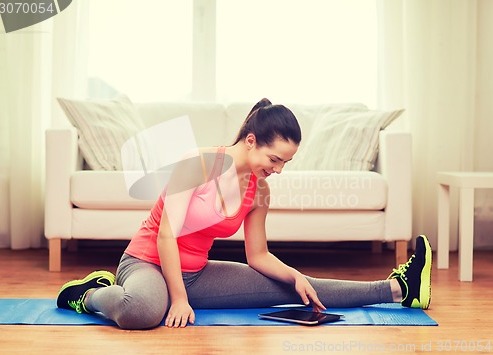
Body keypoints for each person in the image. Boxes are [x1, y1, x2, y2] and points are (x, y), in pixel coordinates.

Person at [57, 98, 432, 329]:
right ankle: (89, 293)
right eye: (275, 159)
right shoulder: (198, 164)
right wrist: (179, 299)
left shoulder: (259, 189)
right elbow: (166, 234)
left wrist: (295, 275)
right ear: (251, 141)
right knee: (142, 312)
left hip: (198, 274)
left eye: (286, 162)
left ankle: (400, 288)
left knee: (297, 288)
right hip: (146, 262)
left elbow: (258, 255)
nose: (279, 169)